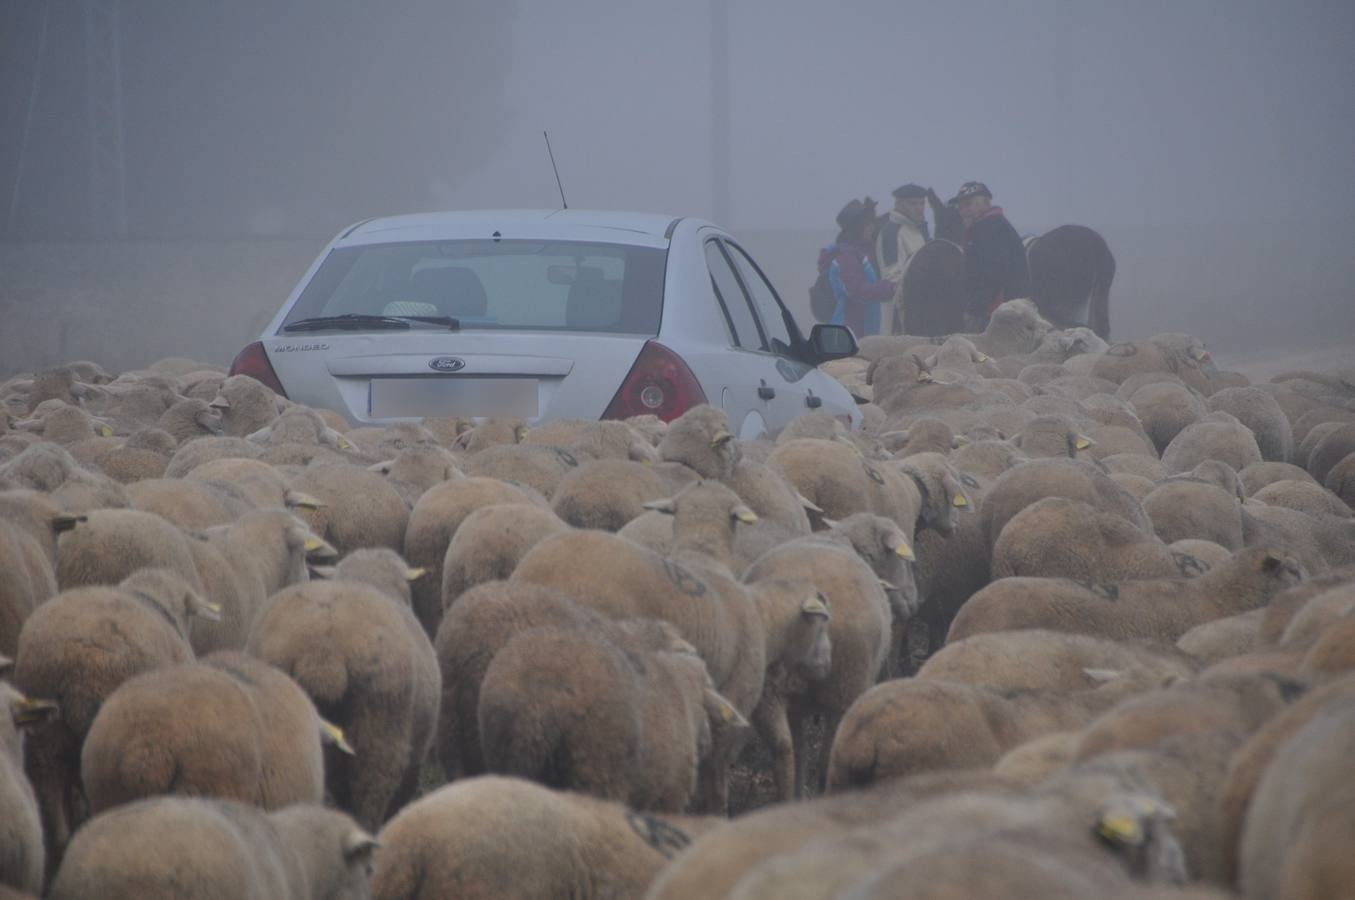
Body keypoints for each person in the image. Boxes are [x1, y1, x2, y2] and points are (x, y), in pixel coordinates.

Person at [954, 181, 1029, 331]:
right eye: (961, 206)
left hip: (995, 314)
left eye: (968, 205)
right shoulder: (993, 225)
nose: (963, 211)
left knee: (979, 348)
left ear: (986, 204)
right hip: (1002, 309)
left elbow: (992, 274)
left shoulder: (988, 229)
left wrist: (974, 310)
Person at [817, 198, 893, 337]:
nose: (872, 227)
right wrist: (888, 288)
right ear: (856, 228)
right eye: (867, 224)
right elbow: (856, 291)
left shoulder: (858, 253)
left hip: (861, 331)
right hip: (849, 334)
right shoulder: (846, 256)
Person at [875, 183, 931, 334]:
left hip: (921, 310)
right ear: (899, 204)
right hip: (899, 315)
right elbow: (893, 277)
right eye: (913, 203)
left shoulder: (920, 230)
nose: (919, 208)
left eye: (922, 203)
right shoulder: (891, 233)